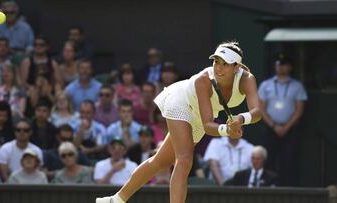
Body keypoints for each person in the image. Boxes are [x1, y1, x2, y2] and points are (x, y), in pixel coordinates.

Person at [96, 41, 261, 203]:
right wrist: (227, 130)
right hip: (181, 103)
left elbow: (257, 112)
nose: (218, 67)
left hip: (199, 114)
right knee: (184, 159)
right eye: (216, 61)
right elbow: (207, 125)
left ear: (237, 67)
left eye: (225, 64)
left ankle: (116, 200)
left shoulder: (247, 79)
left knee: (160, 162)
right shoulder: (203, 79)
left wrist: (240, 119)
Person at [258, 54, 307, 186]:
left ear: (289, 67)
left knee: (289, 161)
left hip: (290, 129)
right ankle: (268, 188)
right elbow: (261, 108)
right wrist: (273, 125)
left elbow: (299, 110)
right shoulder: (266, 85)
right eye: (278, 63)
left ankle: (289, 190)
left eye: (283, 64)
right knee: (268, 160)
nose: (279, 66)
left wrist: (286, 127)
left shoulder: (297, 86)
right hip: (271, 128)